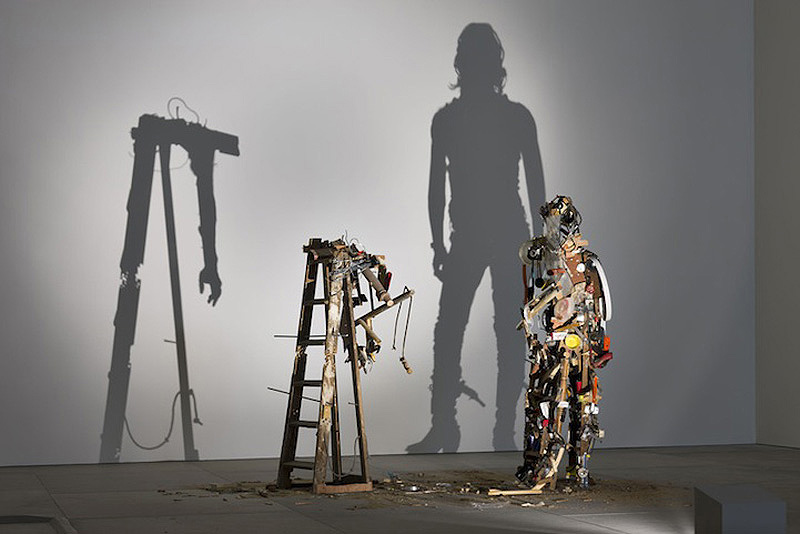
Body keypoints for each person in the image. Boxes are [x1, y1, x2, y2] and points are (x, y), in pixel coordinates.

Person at [407, 23, 546, 453]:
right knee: (495, 332)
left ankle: (467, 429)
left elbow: (437, 188)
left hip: (483, 234)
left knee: (459, 331)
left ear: (461, 65)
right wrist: (540, 244)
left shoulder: (451, 120)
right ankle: (491, 431)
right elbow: (536, 187)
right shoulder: (511, 118)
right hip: (496, 233)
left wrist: (438, 244)